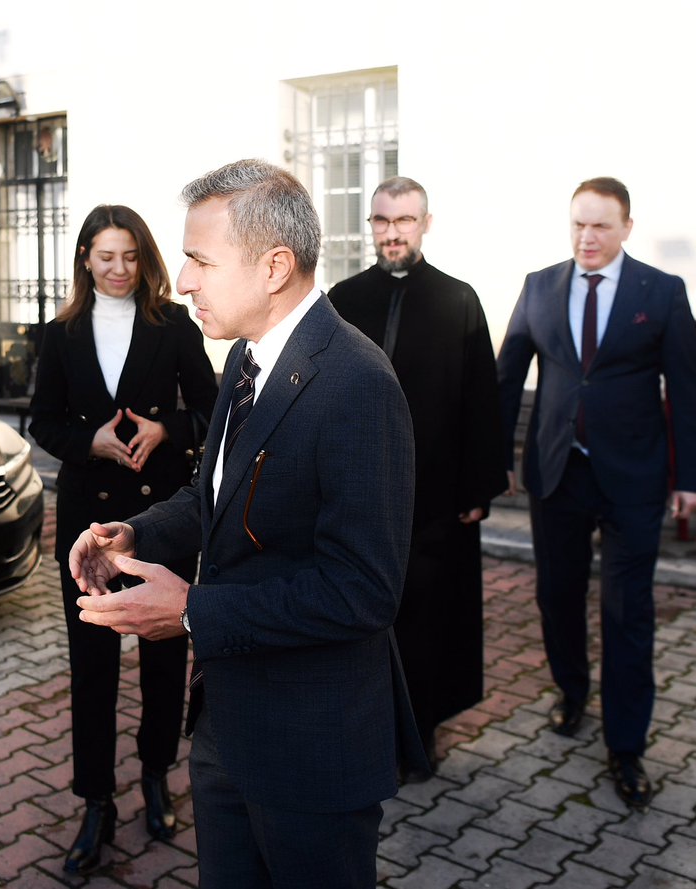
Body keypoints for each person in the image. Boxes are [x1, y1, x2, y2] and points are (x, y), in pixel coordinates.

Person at [70, 160, 423, 888]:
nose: (185, 281)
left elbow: (363, 590)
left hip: (310, 746)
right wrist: (135, 534)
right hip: (228, 724)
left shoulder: (357, 384)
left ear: (273, 266)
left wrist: (192, 609)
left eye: (200, 261)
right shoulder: (243, 358)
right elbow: (211, 497)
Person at [496, 177, 696, 810]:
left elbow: (688, 392)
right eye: (578, 224)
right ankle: (572, 693)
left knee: (627, 612)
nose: (587, 237)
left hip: (634, 480)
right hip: (557, 475)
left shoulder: (662, 294)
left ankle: (627, 744)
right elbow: (507, 380)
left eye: (601, 226)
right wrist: (496, 459)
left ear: (627, 229)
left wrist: (688, 477)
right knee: (557, 597)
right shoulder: (538, 286)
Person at [29, 204, 218, 874]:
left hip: (160, 518)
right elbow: (42, 422)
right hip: (89, 525)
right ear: (84, 257)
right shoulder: (59, 333)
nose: (116, 269)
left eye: (129, 256)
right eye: (104, 256)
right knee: (92, 667)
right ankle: (94, 800)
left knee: (164, 659)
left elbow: (210, 409)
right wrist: (90, 441)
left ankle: (155, 777)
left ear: (145, 259)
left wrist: (166, 428)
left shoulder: (173, 325)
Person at [329, 176, 506, 772]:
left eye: (404, 220)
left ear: (425, 223)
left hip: (435, 494)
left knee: (430, 619)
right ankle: (368, 726)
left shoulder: (459, 300)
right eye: (381, 220)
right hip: (360, 492)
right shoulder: (343, 299)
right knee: (363, 615)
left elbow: (483, 400)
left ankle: (422, 727)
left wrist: (479, 487)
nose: (392, 232)